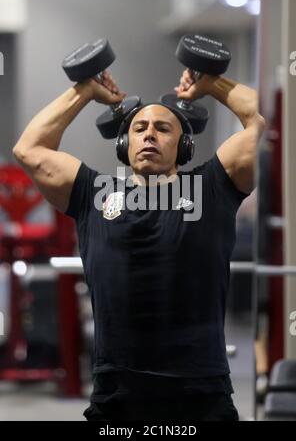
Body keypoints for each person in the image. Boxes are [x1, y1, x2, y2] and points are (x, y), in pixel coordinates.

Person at [13, 68, 266, 421]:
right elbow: (29, 149)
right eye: (139, 128)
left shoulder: (213, 188)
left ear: (184, 146)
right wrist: (84, 91)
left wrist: (212, 84)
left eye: (163, 129)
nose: (149, 135)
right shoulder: (93, 193)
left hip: (200, 392)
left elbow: (267, 126)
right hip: (117, 393)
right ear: (123, 144)